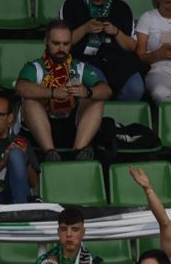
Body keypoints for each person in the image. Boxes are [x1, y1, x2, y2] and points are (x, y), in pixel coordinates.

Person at [15, 20, 110, 163]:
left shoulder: (79, 67)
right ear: (46, 42)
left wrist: (87, 92)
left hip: (72, 126)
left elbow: (106, 90)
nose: (61, 48)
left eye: (66, 44)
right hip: (41, 128)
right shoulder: (35, 67)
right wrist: (53, 92)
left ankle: (79, 153)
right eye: (56, 43)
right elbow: (21, 88)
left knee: (97, 101)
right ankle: (50, 154)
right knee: (30, 103)